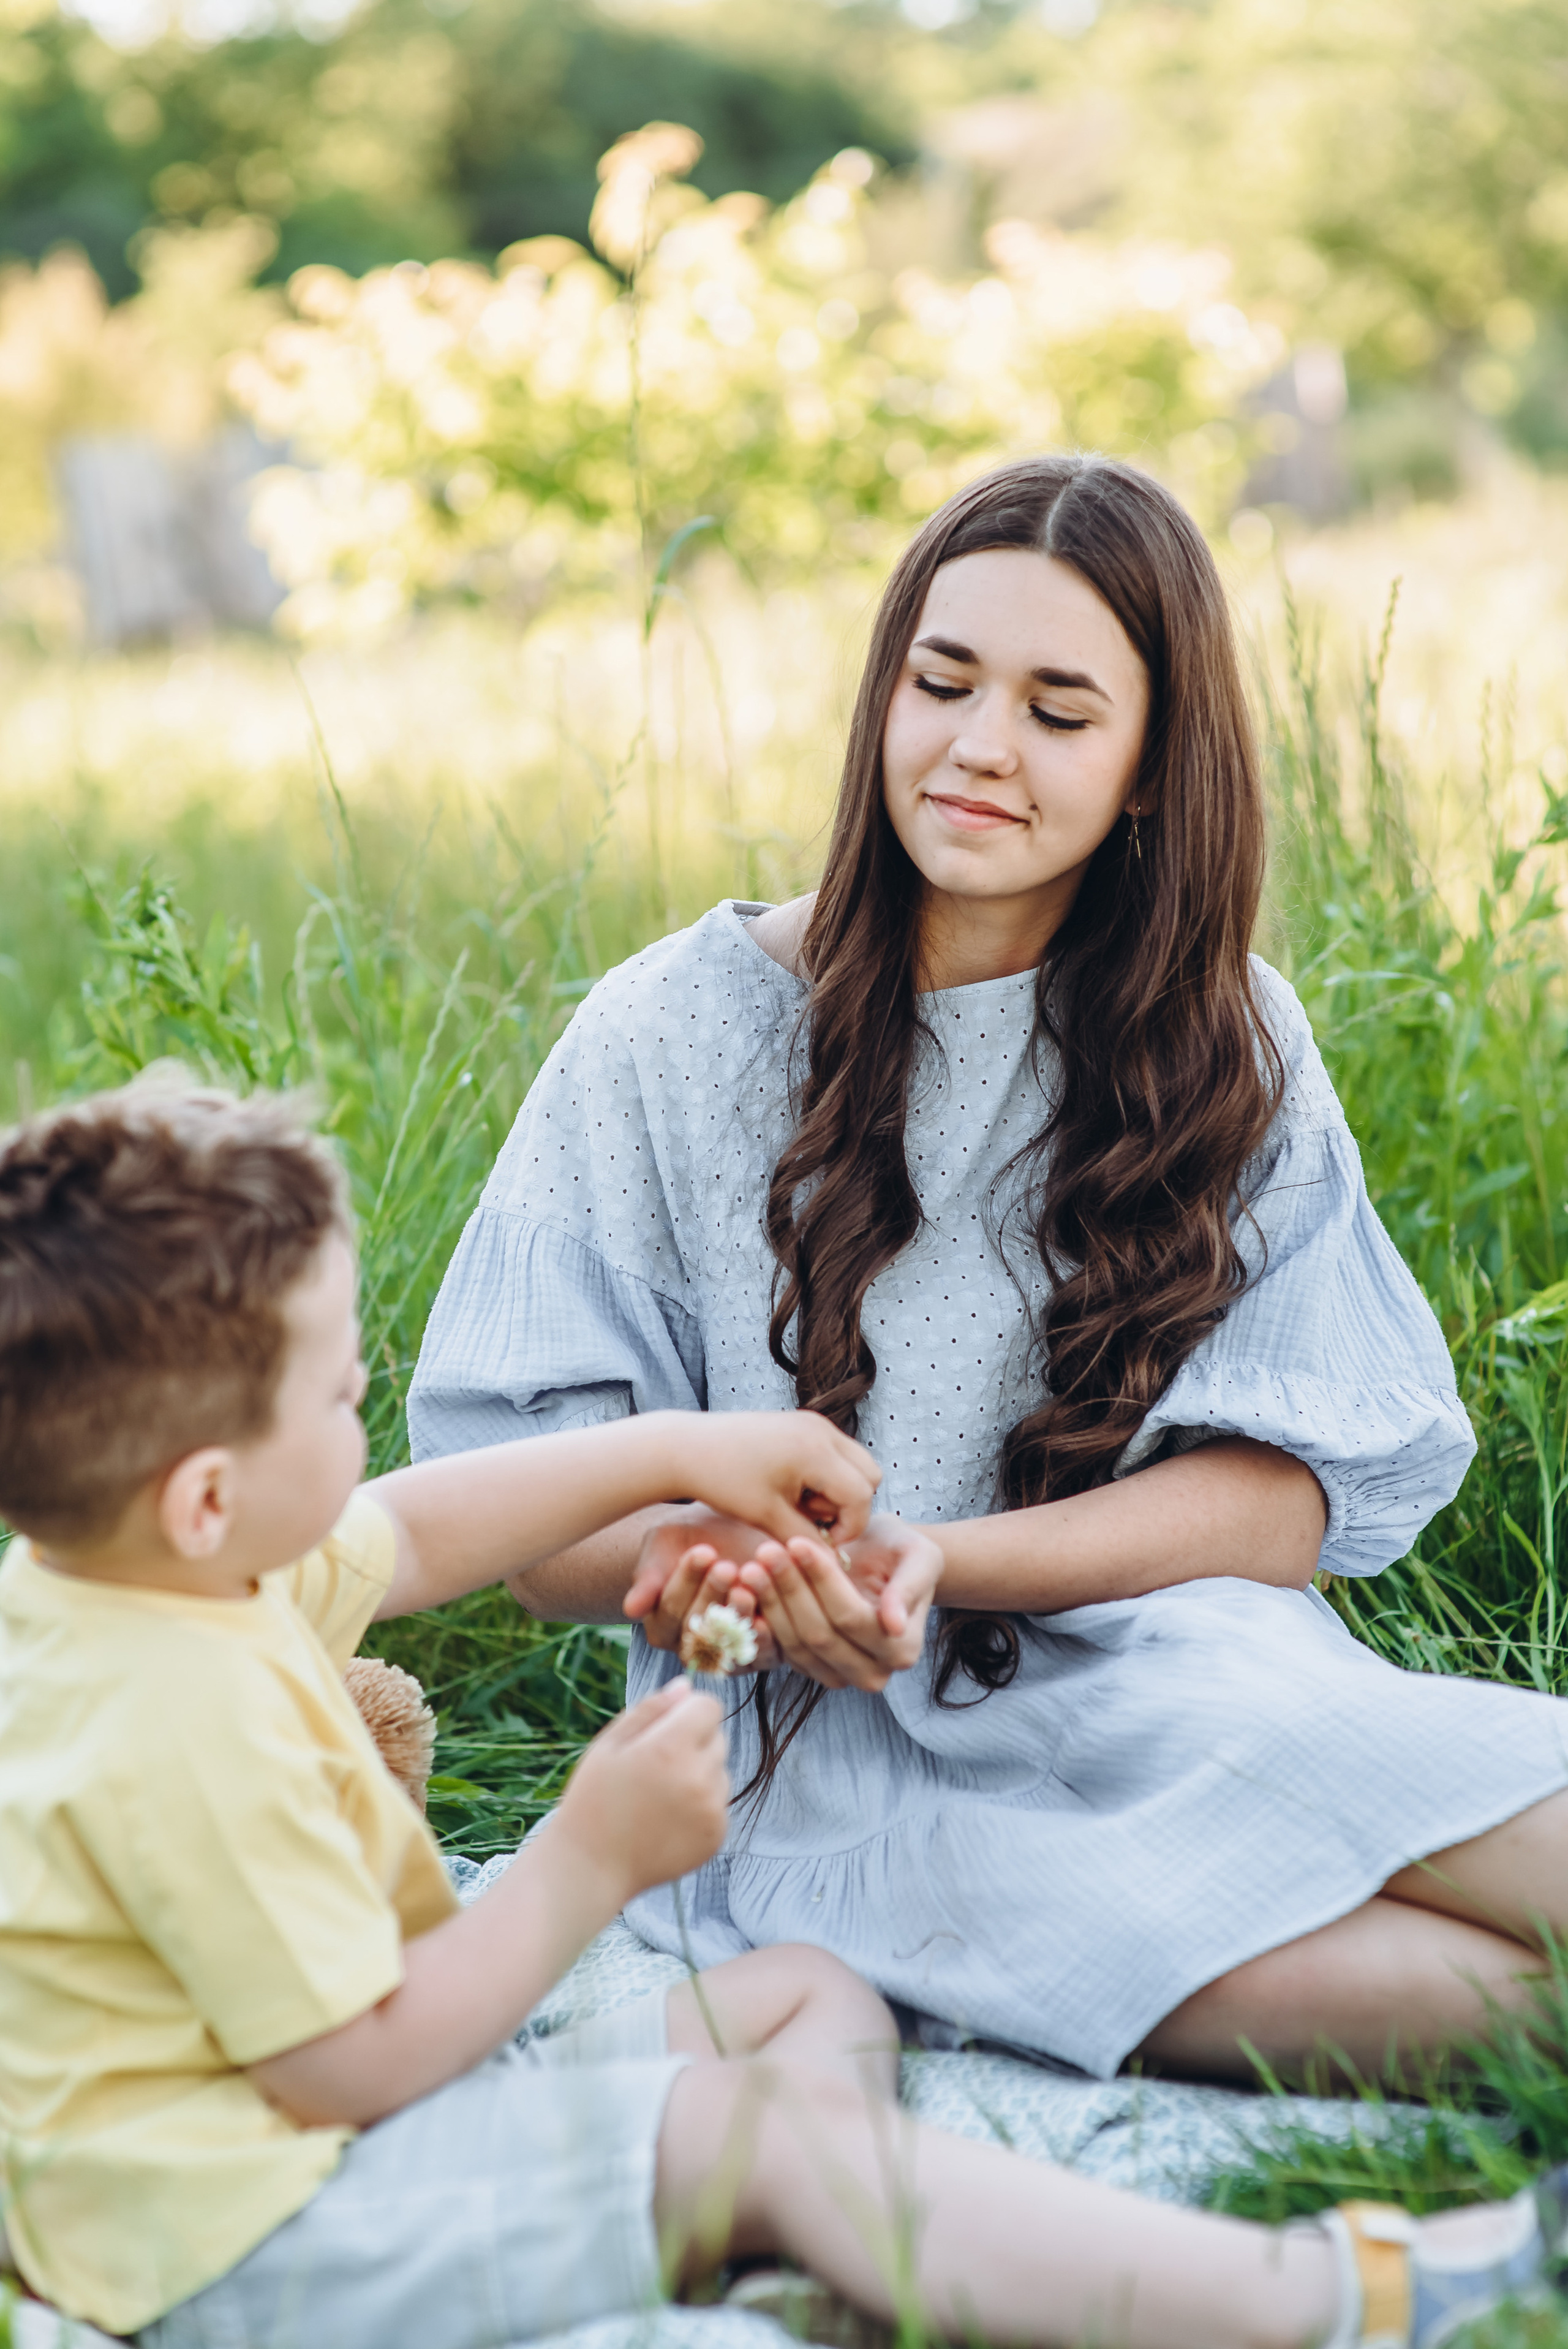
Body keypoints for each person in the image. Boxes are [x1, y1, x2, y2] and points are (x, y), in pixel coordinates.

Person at [2, 1080, 1566, 2349]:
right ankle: (1333, 2306)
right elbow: (346, 2070)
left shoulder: (143, 1569)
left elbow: (418, 1529)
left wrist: (681, 1448)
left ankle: (838, 2233)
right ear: (209, 1492)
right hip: (260, 2236)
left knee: (807, 1991)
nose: (364, 1414)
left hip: (317, 2137)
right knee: (781, 2140)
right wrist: (587, 1863)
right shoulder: (173, 1724)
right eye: (337, 1397)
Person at [411, 452, 1568, 2090]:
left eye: (1058, 708)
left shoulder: (1227, 1031)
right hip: (830, 1765)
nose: (978, 747)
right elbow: (526, 1510)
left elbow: (1284, 1502)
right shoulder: (665, 1035)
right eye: (941, 682)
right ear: (885, 695)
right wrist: (755, 1579)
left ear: (1154, 765)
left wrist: (936, 1557)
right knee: (1504, 2006)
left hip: (1179, 1677)